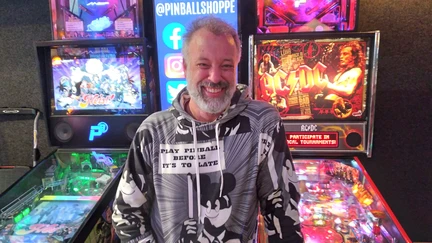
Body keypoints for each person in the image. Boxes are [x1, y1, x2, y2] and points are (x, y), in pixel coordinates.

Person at [112, 16, 303, 243]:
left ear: (236, 66)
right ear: (184, 67)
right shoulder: (153, 132)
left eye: (226, 66)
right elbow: (127, 214)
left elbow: (282, 212)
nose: (214, 77)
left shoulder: (262, 123)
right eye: (203, 64)